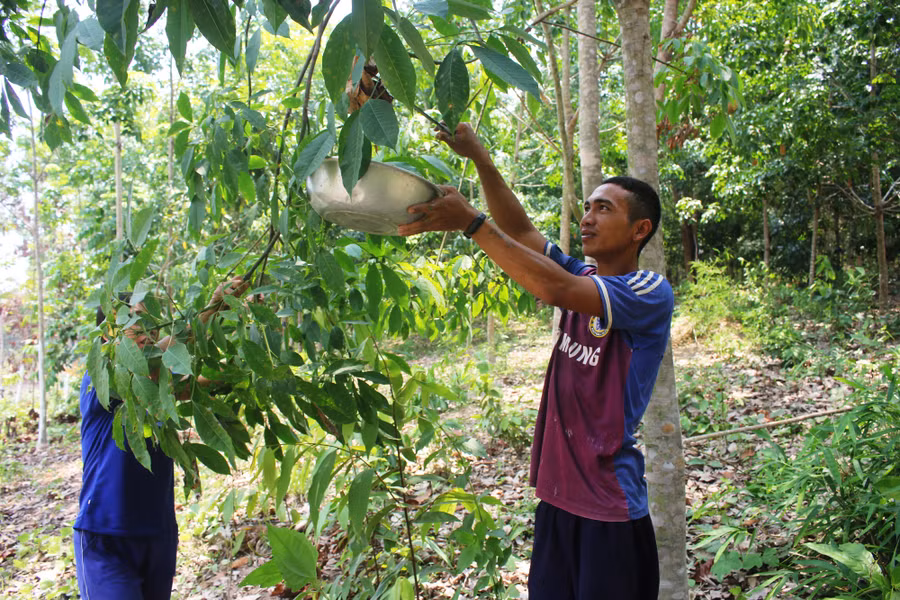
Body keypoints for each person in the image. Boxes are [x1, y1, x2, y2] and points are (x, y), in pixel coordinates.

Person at [398, 123, 673, 600]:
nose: (586, 218)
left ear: (640, 230)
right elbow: (522, 233)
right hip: (558, 499)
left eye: (603, 209)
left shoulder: (648, 292)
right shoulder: (581, 272)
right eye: (586, 207)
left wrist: (470, 223)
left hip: (609, 506)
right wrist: (479, 156)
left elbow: (553, 289)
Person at [74, 277, 246, 600]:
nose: (147, 335)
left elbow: (190, 382)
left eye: (150, 327)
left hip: (158, 536)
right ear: (109, 337)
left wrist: (243, 371)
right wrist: (209, 309)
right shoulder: (100, 376)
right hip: (105, 539)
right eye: (135, 327)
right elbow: (154, 362)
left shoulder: (159, 384)